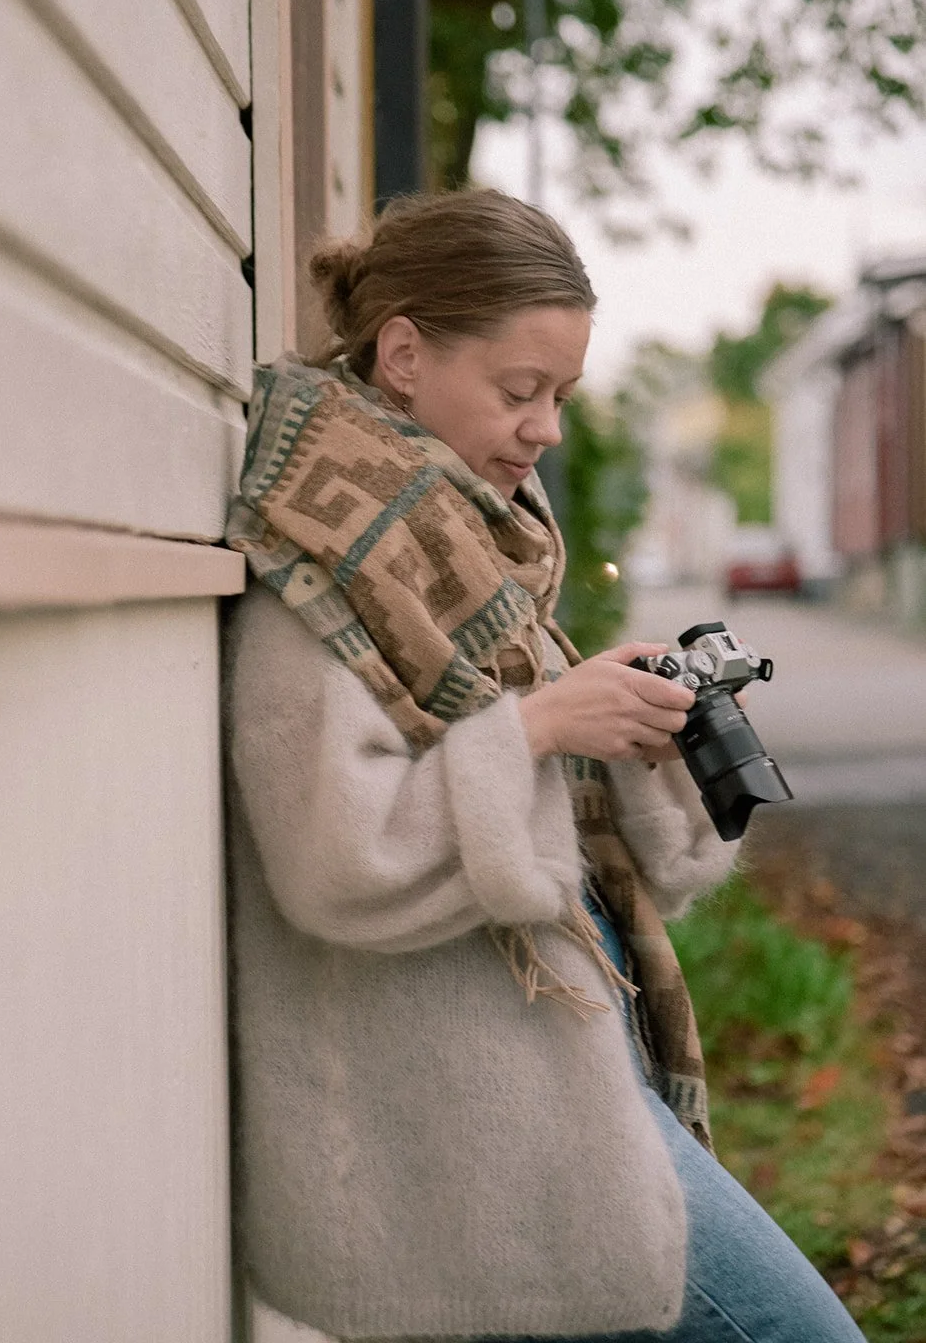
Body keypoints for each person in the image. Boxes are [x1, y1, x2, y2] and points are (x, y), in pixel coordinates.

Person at [223, 188, 865, 1343]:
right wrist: (535, 727)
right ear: (404, 355)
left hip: (564, 1100)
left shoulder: (453, 554)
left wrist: (617, 729)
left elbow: (601, 844)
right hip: (487, 1159)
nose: (548, 430)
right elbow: (333, 862)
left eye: (561, 396)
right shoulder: (315, 581)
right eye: (521, 390)